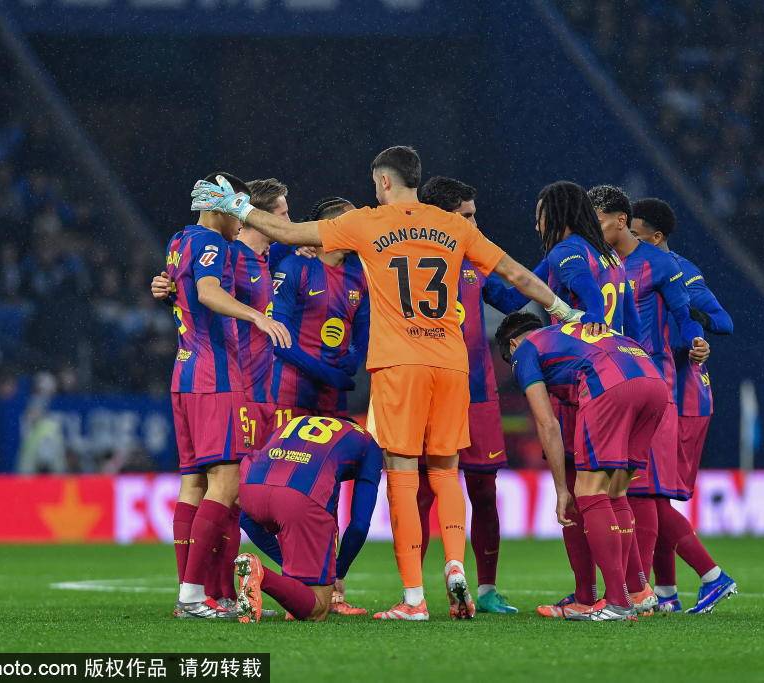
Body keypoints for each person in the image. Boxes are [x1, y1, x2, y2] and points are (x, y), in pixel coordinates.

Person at [188, 146, 582, 621]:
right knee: (446, 470)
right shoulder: (454, 226)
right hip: (451, 364)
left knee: (402, 472)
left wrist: (236, 205)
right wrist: (562, 310)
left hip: (399, 364)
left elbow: (286, 232)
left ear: (384, 182)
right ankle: (455, 565)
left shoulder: (369, 223)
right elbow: (515, 274)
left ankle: (414, 599)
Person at [153, 178, 292, 609]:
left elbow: (184, 290)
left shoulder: (181, 240)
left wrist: (167, 290)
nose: (243, 219)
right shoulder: (217, 245)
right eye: (239, 210)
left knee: (195, 483)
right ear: (222, 209)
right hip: (219, 377)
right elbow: (207, 291)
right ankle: (197, 594)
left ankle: (203, 594)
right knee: (227, 485)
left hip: (186, 373)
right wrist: (257, 317)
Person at [509, 181, 640, 619]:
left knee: (581, 491)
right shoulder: (610, 257)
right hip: (625, 372)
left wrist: (592, 323)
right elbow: (632, 324)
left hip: (586, 383)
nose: (536, 224)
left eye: (540, 214)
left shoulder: (566, 252)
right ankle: (634, 590)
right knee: (613, 489)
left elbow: (585, 299)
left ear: (557, 214)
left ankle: (595, 596)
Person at [496, 312, 668, 621]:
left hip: (609, 384)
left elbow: (547, 423)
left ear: (512, 345)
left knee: (588, 493)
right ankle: (637, 591)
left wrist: (561, 489)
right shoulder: (566, 333)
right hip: (654, 382)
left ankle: (617, 602)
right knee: (616, 491)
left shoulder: (524, 351)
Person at [589, 185, 711, 612]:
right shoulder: (599, 260)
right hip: (611, 379)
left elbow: (688, 313)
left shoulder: (660, 264)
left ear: (621, 221)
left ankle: (642, 590)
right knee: (623, 489)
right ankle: (653, 591)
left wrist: (696, 339)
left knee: (642, 492)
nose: (593, 228)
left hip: (653, 383)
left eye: (599, 220)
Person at [414, 176, 522, 614]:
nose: (475, 224)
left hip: (477, 391)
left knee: (484, 491)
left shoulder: (475, 260)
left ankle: (488, 589)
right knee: (421, 492)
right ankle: (413, 591)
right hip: (428, 391)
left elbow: (512, 298)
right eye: (467, 216)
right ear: (443, 218)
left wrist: (550, 273)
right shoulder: (408, 259)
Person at [630, 198, 737, 614]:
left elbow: (723, 321)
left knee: (650, 496)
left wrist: (693, 326)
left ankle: (712, 575)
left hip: (685, 397)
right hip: (660, 395)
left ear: (656, 237)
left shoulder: (681, 271)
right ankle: (667, 593)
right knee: (654, 495)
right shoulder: (633, 269)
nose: (629, 241)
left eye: (636, 234)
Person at [235, 414, 382, 622]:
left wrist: (285, 560)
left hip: (250, 487)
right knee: (318, 610)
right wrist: (337, 572)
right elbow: (359, 525)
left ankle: (269, 576)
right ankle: (261, 575)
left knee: (300, 578)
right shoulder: (368, 443)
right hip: (300, 497)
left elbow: (246, 519)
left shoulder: (295, 422)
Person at [268, 197, 368, 423]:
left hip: (334, 396)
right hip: (290, 392)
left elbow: (364, 328)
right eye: (355, 223)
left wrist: (355, 356)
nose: (362, 229)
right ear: (334, 228)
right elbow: (277, 336)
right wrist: (324, 372)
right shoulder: (295, 266)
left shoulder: (360, 273)